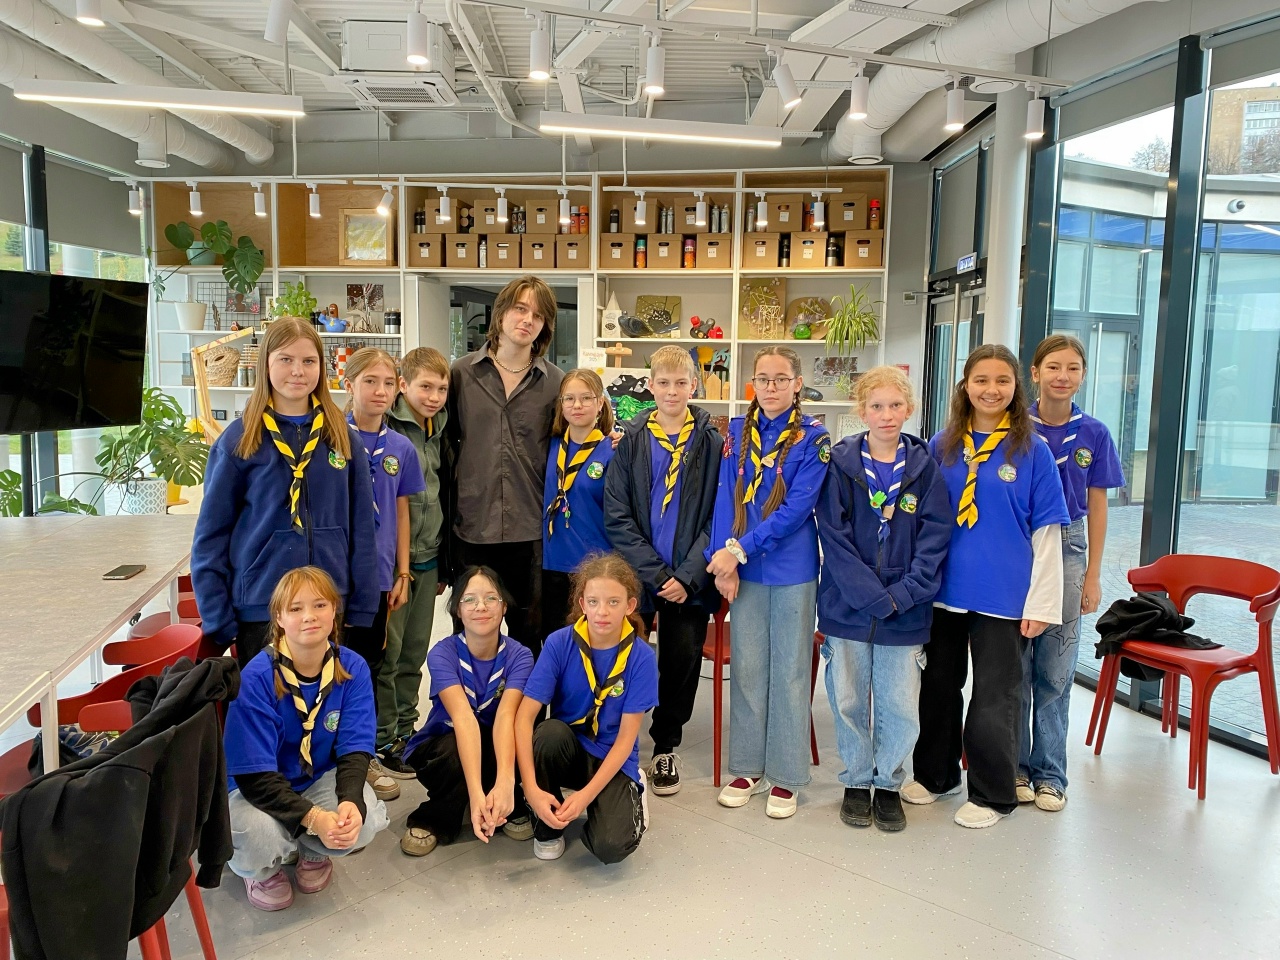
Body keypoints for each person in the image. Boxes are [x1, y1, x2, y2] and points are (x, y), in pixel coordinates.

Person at [906, 343, 1069, 829]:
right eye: (981, 380)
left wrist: (1042, 603)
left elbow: (1047, 534)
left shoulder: (1033, 451)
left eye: (1002, 380)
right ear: (965, 385)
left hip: (1005, 595)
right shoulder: (941, 445)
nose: (991, 390)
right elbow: (919, 518)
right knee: (938, 686)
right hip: (943, 591)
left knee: (996, 697)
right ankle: (936, 775)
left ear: (1017, 387)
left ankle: (993, 793)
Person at [192, 317, 378, 669]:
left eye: (309, 361)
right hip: (261, 608)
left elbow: (363, 528)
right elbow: (210, 536)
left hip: (327, 606)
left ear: (322, 368)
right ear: (266, 365)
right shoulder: (239, 441)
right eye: (285, 359)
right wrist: (218, 617)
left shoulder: (343, 438)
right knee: (269, 702)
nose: (298, 371)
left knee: (328, 700)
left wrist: (362, 604)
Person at [814, 366, 950, 832]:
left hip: (905, 611)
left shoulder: (925, 469)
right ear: (862, 411)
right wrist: (871, 596)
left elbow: (935, 538)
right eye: (877, 406)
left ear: (909, 409)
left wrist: (903, 595)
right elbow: (833, 537)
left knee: (899, 705)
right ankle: (856, 780)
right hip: (846, 607)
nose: (886, 414)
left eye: (895, 405)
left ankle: (889, 783)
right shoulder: (840, 465)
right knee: (848, 700)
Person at [705, 347, 829, 819]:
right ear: (752, 383)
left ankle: (787, 774)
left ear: (797, 383)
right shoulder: (736, 431)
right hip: (743, 570)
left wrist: (738, 551)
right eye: (763, 378)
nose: (771, 387)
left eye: (781, 378)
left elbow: (796, 509)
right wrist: (724, 562)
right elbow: (724, 497)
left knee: (791, 672)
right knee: (749, 669)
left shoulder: (814, 438)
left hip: (791, 569)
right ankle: (747, 768)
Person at [222, 566, 390, 912]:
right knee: (254, 834)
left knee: (363, 817)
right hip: (258, 788)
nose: (309, 616)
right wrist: (313, 818)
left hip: (316, 777)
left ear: (334, 610)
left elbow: (355, 748)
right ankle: (262, 871)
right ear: (279, 618)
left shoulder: (353, 668)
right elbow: (254, 777)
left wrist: (349, 801)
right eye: (296, 608)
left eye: (320, 605)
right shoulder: (256, 677)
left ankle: (311, 853)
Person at [604, 344, 721, 796]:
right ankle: (617, 742)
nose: (672, 391)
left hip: (691, 578)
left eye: (681, 383)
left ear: (694, 386)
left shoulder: (711, 442)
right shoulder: (631, 440)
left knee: (681, 661)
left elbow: (720, 515)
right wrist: (656, 574)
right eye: (664, 382)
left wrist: (687, 575)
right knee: (625, 657)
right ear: (650, 385)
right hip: (640, 576)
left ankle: (666, 745)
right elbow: (617, 514)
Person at [1021, 335, 1125, 811]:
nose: (1062, 376)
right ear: (1035, 373)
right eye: (1053, 367)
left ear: (1083, 375)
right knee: (1013, 666)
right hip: (1020, 541)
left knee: (1056, 669)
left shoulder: (1095, 433)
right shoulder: (1015, 427)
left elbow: (1097, 505)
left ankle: (1050, 773)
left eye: (1073, 368)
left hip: (1069, 544)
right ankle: (1014, 767)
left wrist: (1093, 575)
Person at [514, 552, 659, 864]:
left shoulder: (642, 658)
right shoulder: (559, 643)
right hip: (570, 748)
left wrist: (585, 797)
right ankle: (547, 828)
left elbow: (625, 740)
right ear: (582, 604)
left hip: (612, 757)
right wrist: (531, 789)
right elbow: (524, 718)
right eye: (593, 602)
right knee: (547, 733)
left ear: (630, 606)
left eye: (613, 602)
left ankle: (630, 792)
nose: (602, 612)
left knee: (610, 847)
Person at [448, 275, 563, 650]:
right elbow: (443, 446)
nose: (528, 319)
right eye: (520, 308)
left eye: (538, 315)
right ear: (500, 313)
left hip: (530, 532)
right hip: (471, 527)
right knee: (471, 634)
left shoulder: (556, 383)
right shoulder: (460, 374)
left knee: (530, 637)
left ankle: (524, 694)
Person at [339, 346, 427, 802]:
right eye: (369, 381)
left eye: (388, 383)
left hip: (377, 577)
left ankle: (363, 755)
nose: (380, 391)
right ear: (348, 384)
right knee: (324, 664)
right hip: (334, 576)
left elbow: (401, 509)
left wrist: (403, 573)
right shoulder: (331, 438)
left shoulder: (400, 447)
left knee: (368, 666)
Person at [399, 566, 536, 856]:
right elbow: (462, 719)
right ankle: (436, 817)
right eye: (469, 599)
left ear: (504, 607)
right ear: (458, 610)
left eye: (491, 598)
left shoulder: (520, 655)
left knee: (525, 740)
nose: (481, 606)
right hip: (443, 748)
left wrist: (506, 780)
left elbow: (506, 717)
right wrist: (475, 794)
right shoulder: (443, 653)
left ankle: (507, 799)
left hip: (494, 743)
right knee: (452, 752)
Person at [376, 347, 454, 778]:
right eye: (425, 387)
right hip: (393, 564)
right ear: (403, 385)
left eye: (441, 389)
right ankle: (382, 736)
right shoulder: (386, 426)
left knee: (413, 653)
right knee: (388, 656)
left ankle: (406, 731)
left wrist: (443, 560)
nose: (434, 397)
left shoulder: (439, 427)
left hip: (428, 558)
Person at [542, 368, 616, 643]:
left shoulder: (613, 450)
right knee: (556, 642)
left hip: (596, 563)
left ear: (600, 403)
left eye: (586, 398)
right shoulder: (549, 447)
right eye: (569, 399)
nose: (577, 405)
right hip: (553, 562)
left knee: (594, 643)